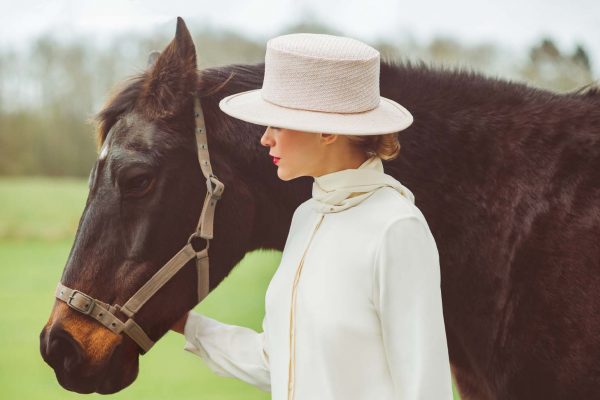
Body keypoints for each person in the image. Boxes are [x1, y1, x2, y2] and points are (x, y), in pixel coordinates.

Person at [171, 32, 454, 400]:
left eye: (278, 123)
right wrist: (187, 326)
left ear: (327, 129)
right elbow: (284, 363)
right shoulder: (307, 218)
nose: (265, 138)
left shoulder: (396, 229)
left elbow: (424, 389)